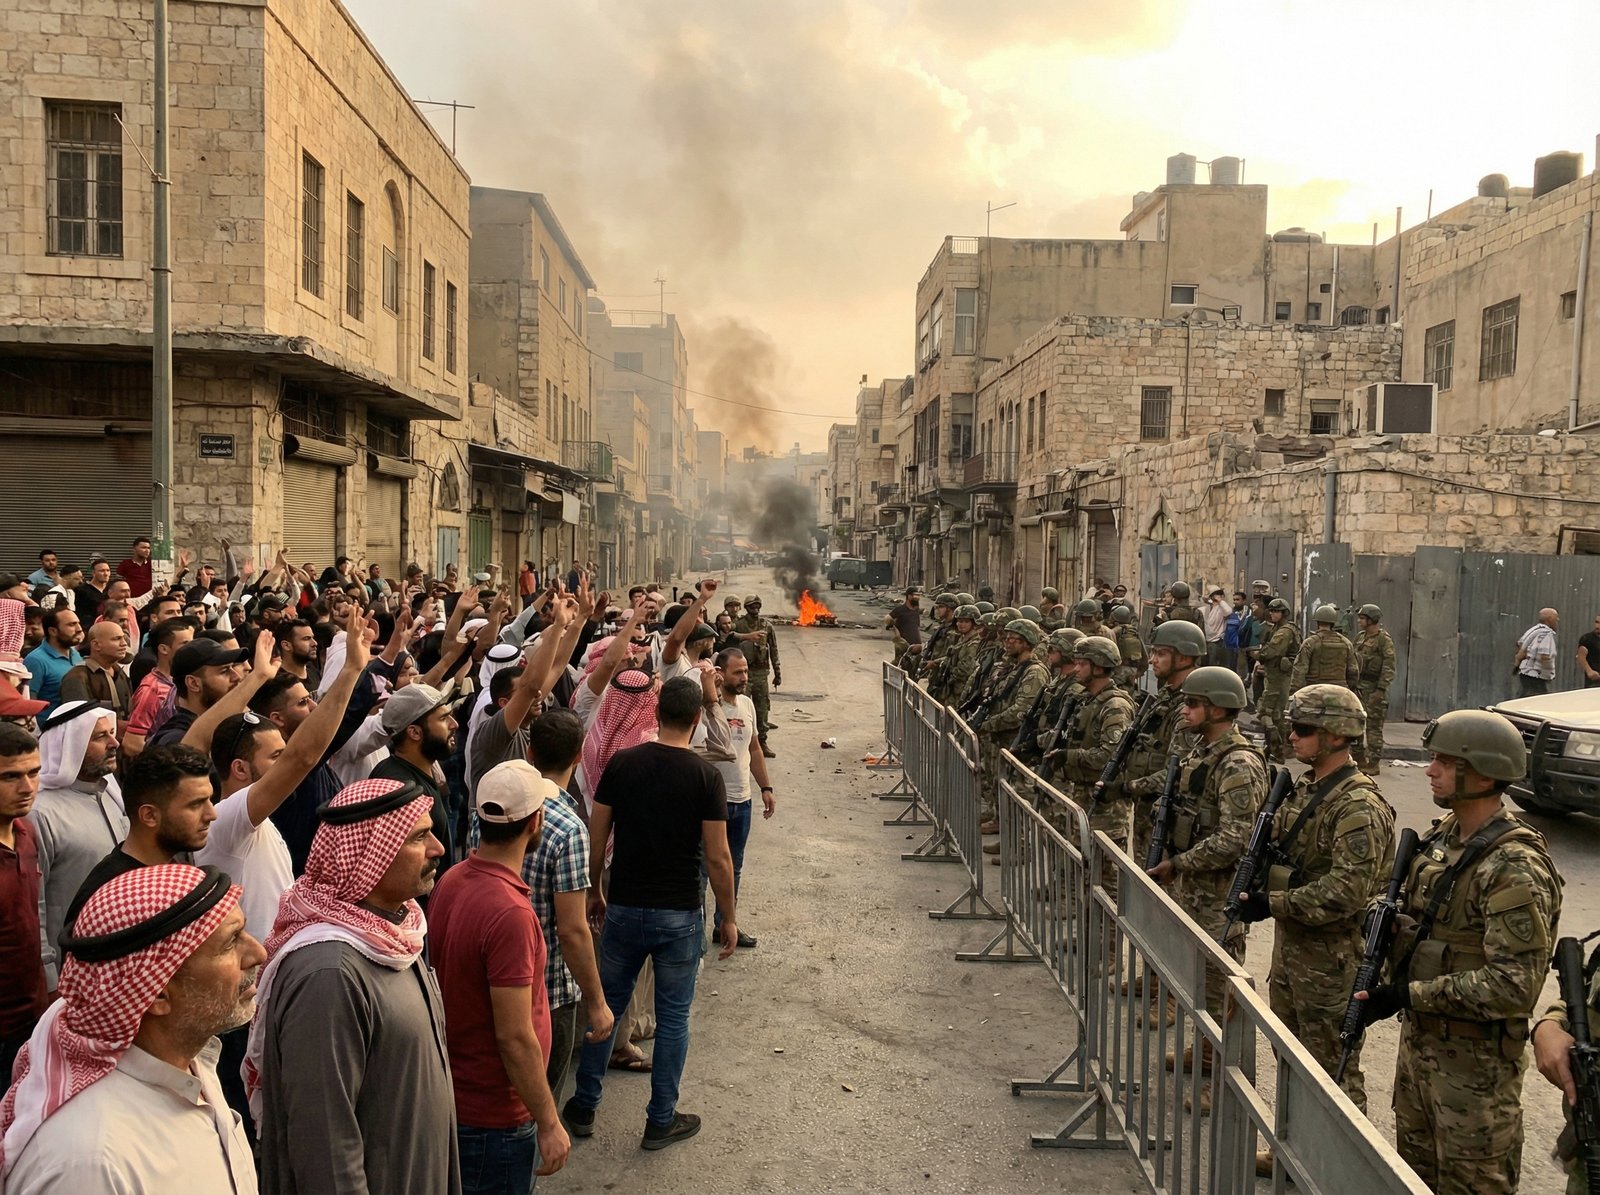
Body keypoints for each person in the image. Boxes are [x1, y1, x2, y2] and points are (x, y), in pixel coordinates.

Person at [1353, 709, 1563, 1194]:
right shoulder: (1440, 839)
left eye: (1445, 762)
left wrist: (1408, 994)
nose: (1430, 771)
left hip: (1475, 1075)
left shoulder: (1514, 865)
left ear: (1484, 773)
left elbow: (1514, 986)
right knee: (1414, 1178)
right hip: (1422, 1057)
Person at [248, 778, 459, 1194]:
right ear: (368, 855)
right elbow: (324, 1147)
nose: (438, 849)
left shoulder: (396, 931)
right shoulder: (329, 973)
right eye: (419, 837)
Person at [0, 864, 262, 1194]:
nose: (257, 953)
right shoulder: (88, 1165)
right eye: (231, 942)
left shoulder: (190, 1064)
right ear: (158, 993)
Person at [562, 676, 737, 1152]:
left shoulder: (623, 764)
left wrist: (596, 889)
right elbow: (718, 858)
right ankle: (660, 1118)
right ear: (697, 718)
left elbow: (597, 835)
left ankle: (583, 1104)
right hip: (679, 913)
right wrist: (728, 916)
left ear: (656, 714)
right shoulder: (706, 777)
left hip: (625, 908)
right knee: (675, 1019)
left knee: (608, 1007)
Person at [1235, 685, 1393, 1130]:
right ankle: (1293, 1150)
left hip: (1332, 962)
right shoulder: (1307, 788)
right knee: (1291, 1058)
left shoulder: (1357, 805)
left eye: (1303, 729)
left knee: (1332, 1071)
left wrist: (1273, 903)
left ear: (1338, 736)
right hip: (1294, 954)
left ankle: (1337, 1166)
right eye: (1292, 727)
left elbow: (1348, 891)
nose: (1293, 737)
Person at [431, 761, 571, 1190]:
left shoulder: (453, 879)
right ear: (536, 822)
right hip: (494, 1118)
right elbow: (514, 1034)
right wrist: (548, 1121)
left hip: (457, 1099)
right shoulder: (510, 913)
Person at [1146, 666, 1266, 1110]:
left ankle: (1227, 1080)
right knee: (1201, 978)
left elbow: (1236, 836)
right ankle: (1207, 1048)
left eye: (1194, 703)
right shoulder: (1204, 750)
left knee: (1222, 987)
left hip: (1219, 892)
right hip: (1197, 889)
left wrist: (1180, 863)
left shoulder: (1236, 762)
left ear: (1217, 708)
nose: (1185, 709)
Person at [526, 710, 612, 1102]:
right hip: (549, 990)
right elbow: (572, 929)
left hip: (502, 978)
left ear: (529, 753)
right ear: (579, 757)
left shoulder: (493, 806)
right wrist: (596, 1001)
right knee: (542, 1100)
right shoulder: (569, 826)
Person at [63, 744, 217, 933]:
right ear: (150, 816)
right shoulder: (112, 899)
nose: (211, 814)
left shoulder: (172, 868)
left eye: (210, 800)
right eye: (196, 805)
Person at [29, 702, 125, 990]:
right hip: (70, 971)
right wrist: (48, 980)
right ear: (70, 744)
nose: (115, 743)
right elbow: (35, 904)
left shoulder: (110, 792)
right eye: (100, 737)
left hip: (119, 959)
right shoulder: (41, 813)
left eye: (112, 732)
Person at [704, 649, 774, 945]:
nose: (744, 678)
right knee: (702, 869)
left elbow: (754, 748)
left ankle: (725, 925)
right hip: (709, 804)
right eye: (738, 672)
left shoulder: (746, 704)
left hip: (741, 802)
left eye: (746, 671)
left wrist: (765, 788)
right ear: (721, 673)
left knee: (735, 867)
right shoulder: (708, 706)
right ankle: (693, 933)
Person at [1122, 620, 1205, 865]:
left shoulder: (1188, 707)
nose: (1152, 660)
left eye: (1161, 653)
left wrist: (1130, 787)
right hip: (1147, 810)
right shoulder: (1166, 697)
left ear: (1183, 659)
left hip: (1166, 816)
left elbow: (1177, 770)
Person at [1050, 636, 1136, 866]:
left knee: (1105, 878)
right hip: (1081, 794)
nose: (1076, 668)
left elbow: (1107, 756)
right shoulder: (1088, 699)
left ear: (1098, 667)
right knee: (1076, 866)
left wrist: (1067, 756)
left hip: (1105, 807)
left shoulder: (1115, 706)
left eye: (1082, 663)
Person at [370, 682, 459, 876]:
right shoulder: (401, 789)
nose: (454, 724)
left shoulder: (413, 772)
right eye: (444, 719)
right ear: (415, 732)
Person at [0, 723, 45, 1081]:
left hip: (30, 1017)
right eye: (10, 776)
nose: (27, 787)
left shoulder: (26, 834)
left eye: (33, 773)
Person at [975, 620, 1048, 835]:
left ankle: (1018, 843)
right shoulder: (1014, 668)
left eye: (1013, 639)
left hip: (1015, 740)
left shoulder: (1034, 672)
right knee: (998, 782)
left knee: (1017, 792)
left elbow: (1020, 711)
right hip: (1001, 738)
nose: (1007, 642)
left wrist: (988, 724)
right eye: (1006, 638)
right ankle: (1004, 828)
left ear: (1027, 643)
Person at [124, 616, 199, 760]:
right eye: (185, 644)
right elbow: (132, 744)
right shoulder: (152, 690)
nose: (192, 649)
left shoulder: (184, 680)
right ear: (164, 649)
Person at [59, 620, 133, 734]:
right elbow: (79, 720)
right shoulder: (77, 677)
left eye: (123, 638)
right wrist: (118, 726)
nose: (124, 643)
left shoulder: (120, 673)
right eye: (116, 639)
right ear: (96, 645)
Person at [733, 595, 781, 758]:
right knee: (741, 709)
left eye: (757, 606)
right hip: (743, 673)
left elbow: (773, 649)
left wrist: (777, 672)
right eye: (752, 606)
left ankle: (762, 742)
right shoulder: (738, 625)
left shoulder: (766, 626)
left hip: (761, 673)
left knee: (761, 709)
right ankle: (742, 743)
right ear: (746, 608)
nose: (756, 609)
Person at [1353, 603, 1398, 773]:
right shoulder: (1360, 637)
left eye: (1362, 618)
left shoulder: (1383, 640)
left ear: (1372, 620)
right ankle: (1358, 758)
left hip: (1373, 688)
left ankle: (1373, 762)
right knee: (1355, 723)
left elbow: (1389, 666)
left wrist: (1381, 689)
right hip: (1358, 687)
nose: (1359, 621)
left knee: (1373, 727)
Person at [1254, 598, 1300, 763]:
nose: (1273, 614)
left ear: (1284, 613)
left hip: (1278, 677)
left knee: (1266, 713)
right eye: (1271, 611)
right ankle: (1276, 748)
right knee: (1276, 715)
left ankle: (1277, 749)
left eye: (1276, 611)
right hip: (1274, 675)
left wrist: (1259, 655)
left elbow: (1271, 651)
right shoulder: (1278, 628)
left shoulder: (1284, 631)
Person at [23, 607, 83, 720]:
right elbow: (29, 701)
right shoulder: (35, 660)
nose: (79, 629)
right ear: (53, 631)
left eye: (78, 623)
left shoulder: (75, 654)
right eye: (71, 625)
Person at [1289, 604, 1359, 694]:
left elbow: (1300, 670)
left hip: (1315, 691)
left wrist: (1294, 692)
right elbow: (1353, 671)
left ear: (1317, 622)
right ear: (1333, 623)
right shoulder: (1346, 643)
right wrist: (1351, 690)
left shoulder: (1310, 642)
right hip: (1339, 692)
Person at [1515, 607, 1560, 696]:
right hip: (1537, 675)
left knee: (1524, 697)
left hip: (1525, 673)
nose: (1558, 620)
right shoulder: (1547, 634)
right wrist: (1549, 672)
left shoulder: (1533, 630)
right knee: (1537, 701)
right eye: (1556, 618)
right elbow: (1544, 655)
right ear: (1549, 619)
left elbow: (1519, 644)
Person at [884, 588, 921, 670]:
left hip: (915, 642)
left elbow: (916, 626)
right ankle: (890, 674)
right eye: (915, 595)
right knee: (900, 662)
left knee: (913, 665)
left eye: (918, 595)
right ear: (909, 596)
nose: (917, 598)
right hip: (902, 642)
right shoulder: (900, 610)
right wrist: (893, 627)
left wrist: (919, 640)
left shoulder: (916, 610)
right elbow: (887, 618)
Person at [1202, 587, 1231, 667]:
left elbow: (1228, 611)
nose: (1218, 596)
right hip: (1207, 641)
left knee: (1216, 665)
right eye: (1216, 594)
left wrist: (1220, 601)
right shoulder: (1207, 608)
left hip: (1217, 640)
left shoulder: (1221, 608)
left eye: (1220, 594)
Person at [1577, 613, 1600, 690]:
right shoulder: (1587, 639)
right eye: (1596, 622)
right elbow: (1581, 656)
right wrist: (1589, 671)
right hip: (1594, 682)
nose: (1597, 626)